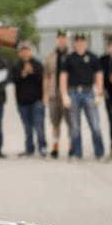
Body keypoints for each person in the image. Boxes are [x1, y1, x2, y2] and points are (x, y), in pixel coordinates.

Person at [59, 33, 105, 159]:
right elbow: (63, 77)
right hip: (73, 93)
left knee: (95, 124)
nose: (80, 43)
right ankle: (77, 153)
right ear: (74, 43)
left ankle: (99, 153)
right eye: (77, 41)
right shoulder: (69, 58)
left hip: (89, 92)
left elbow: (99, 75)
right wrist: (64, 95)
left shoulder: (93, 57)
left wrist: (99, 93)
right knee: (75, 126)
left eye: (82, 41)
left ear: (86, 42)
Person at [11, 41, 47, 156]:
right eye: (22, 51)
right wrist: (23, 74)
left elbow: (43, 80)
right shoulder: (16, 65)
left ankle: (42, 147)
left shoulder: (38, 64)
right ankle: (29, 149)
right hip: (22, 101)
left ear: (31, 51)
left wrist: (33, 72)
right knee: (27, 127)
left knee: (39, 126)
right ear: (19, 53)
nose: (25, 53)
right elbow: (13, 80)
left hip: (37, 100)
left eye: (27, 50)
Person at [43, 30, 72, 158]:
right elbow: (46, 76)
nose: (62, 40)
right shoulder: (50, 56)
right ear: (57, 39)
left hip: (68, 94)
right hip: (53, 94)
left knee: (71, 122)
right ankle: (55, 147)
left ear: (67, 39)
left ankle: (72, 147)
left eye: (64, 38)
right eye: (60, 38)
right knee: (55, 122)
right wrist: (45, 94)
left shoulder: (72, 55)